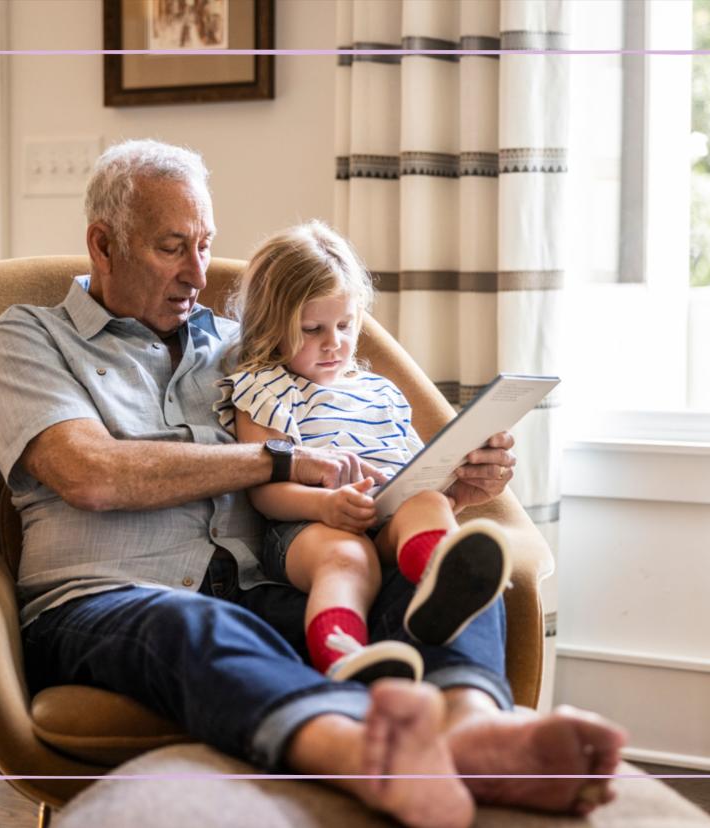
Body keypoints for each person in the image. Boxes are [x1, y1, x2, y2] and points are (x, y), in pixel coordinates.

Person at [0, 139, 626, 828]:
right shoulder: (29, 339)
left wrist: (439, 485)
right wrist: (276, 461)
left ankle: (474, 730)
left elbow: (348, 445)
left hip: (269, 593)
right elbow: (90, 473)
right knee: (196, 624)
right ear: (103, 245)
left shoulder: (241, 346)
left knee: (440, 567)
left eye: (205, 244)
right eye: (173, 247)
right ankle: (367, 758)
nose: (197, 272)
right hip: (107, 604)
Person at [213, 220, 513, 685]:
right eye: (312, 329)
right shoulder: (265, 387)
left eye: (345, 325)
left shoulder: (383, 393)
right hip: (306, 528)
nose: (333, 343)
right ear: (272, 327)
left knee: (429, 502)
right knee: (348, 558)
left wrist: (455, 484)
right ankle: (341, 655)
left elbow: (415, 474)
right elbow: (263, 491)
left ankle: (445, 587)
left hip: (388, 517)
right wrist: (325, 505)